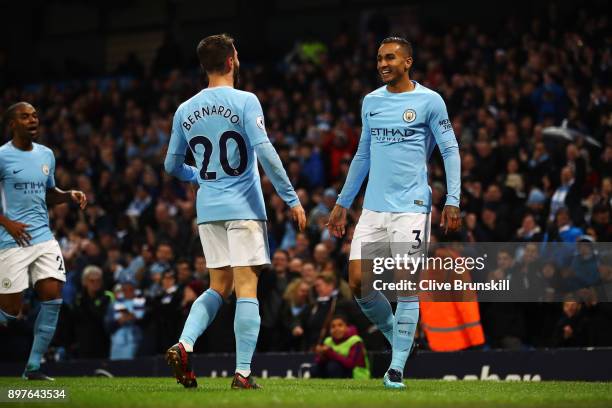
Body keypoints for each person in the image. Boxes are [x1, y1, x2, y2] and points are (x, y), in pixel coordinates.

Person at [163, 33, 306, 389]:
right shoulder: (245, 100)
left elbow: (170, 165)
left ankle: (185, 343)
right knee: (246, 287)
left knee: (218, 285)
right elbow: (266, 153)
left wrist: (197, 175)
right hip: (243, 208)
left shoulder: (185, 109)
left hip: (208, 209)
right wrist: (291, 198)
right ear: (231, 61)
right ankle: (242, 373)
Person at [327, 37, 461, 388]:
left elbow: (450, 150)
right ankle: (400, 338)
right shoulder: (371, 101)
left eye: (390, 58)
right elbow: (362, 155)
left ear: (408, 62)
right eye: (379, 58)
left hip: (412, 208)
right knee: (357, 282)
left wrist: (453, 199)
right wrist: (343, 203)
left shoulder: (430, 101)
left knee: (406, 286)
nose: (382, 63)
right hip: (373, 208)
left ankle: (396, 368)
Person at [0, 102, 87, 380]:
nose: (32, 120)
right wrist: (7, 223)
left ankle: (33, 368)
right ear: (12, 124)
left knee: (53, 299)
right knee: (10, 312)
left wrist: (68, 195)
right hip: (11, 240)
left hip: (43, 238)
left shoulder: (46, 154)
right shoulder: (1, 156)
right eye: (25, 117)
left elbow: (48, 193)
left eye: (35, 116)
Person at [312, 315, 370, 379]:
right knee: (315, 368)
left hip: (356, 374)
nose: (336, 329)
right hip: (337, 371)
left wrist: (329, 352)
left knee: (333, 366)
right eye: (333, 326)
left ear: (346, 327)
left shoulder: (355, 340)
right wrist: (321, 354)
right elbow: (319, 361)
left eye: (340, 325)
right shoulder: (328, 341)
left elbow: (351, 364)